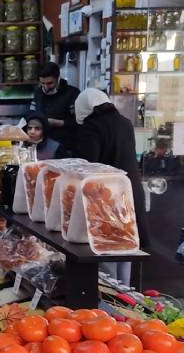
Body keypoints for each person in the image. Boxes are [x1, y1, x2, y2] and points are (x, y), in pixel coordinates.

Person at [74, 89, 151, 284]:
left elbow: (89, 166)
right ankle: (126, 302)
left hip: (105, 198)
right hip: (129, 193)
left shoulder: (92, 127)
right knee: (126, 248)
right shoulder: (125, 123)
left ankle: (109, 305)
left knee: (106, 253)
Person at [28, 62, 80, 156]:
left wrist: (58, 123)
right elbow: (31, 114)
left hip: (66, 147)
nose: (46, 87)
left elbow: (79, 122)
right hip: (43, 148)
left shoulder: (72, 93)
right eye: (42, 83)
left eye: (49, 83)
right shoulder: (38, 93)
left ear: (58, 78)